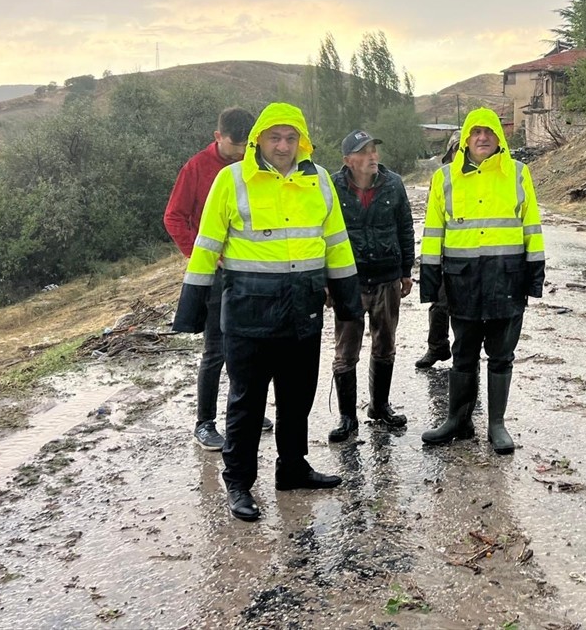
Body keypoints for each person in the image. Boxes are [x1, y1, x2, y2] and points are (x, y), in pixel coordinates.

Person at [172, 103, 362, 522]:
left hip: (304, 311)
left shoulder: (318, 183)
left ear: (302, 141)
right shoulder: (232, 179)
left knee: (297, 398)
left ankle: (292, 469)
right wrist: (191, 309)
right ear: (259, 138)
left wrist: (349, 301)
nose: (283, 146)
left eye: (291, 138)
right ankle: (239, 483)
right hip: (248, 314)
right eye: (275, 137)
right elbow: (206, 245)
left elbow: (336, 242)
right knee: (247, 402)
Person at [419, 109, 545, 455]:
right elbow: (433, 232)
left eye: (488, 131)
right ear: (465, 139)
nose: (482, 138)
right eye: (475, 132)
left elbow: (531, 227)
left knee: (501, 355)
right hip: (462, 282)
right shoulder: (445, 178)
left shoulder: (519, 174)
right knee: (463, 354)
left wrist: (535, 277)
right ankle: (458, 421)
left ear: (499, 137)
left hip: (507, 279)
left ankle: (496, 424)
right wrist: (430, 282)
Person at [163, 106, 274, 450]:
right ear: (217, 137)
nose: (242, 153)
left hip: (251, 273)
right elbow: (174, 217)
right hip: (214, 276)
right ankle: (205, 423)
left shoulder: (257, 165)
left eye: (246, 146)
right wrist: (202, 256)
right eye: (234, 145)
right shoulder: (196, 168)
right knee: (216, 351)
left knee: (250, 347)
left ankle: (242, 410)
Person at [327, 129, 416, 442]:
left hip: (386, 277)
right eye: (363, 152)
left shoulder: (394, 183)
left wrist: (406, 270)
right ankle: (347, 418)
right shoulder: (332, 188)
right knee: (345, 349)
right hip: (348, 280)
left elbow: (405, 226)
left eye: (374, 150)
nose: (372, 157)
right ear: (348, 160)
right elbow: (322, 232)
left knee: (385, 343)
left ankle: (379, 407)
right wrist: (326, 279)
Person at [415, 131, 460, 370]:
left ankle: (464, 356)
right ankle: (437, 347)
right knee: (440, 304)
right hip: (443, 252)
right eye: (455, 150)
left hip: (470, 256)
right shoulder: (440, 178)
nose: (459, 154)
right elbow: (432, 217)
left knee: (466, 309)